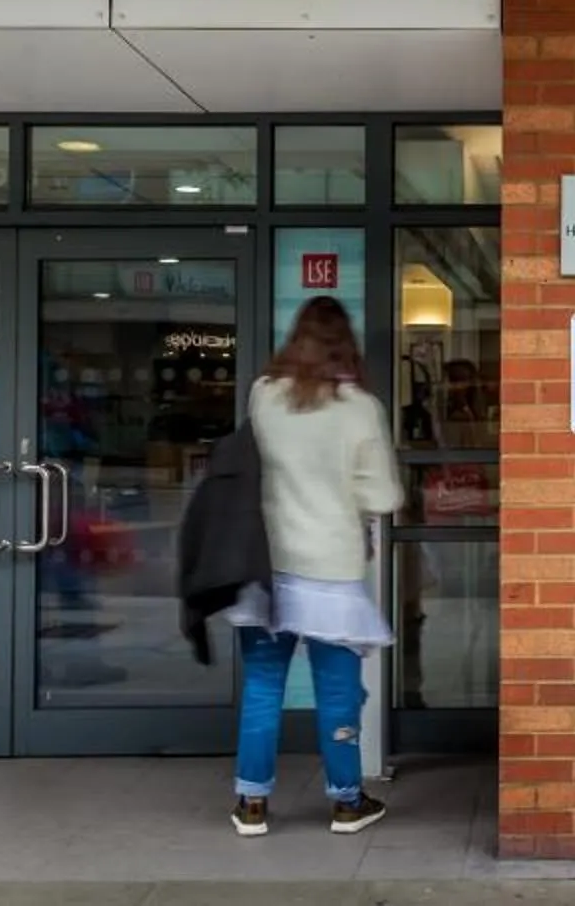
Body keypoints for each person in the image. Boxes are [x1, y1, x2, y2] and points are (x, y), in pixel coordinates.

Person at [225, 297, 404, 838]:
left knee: (262, 684)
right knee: (336, 690)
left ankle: (251, 804)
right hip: (330, 568)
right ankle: (347, 802)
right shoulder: (358, 407)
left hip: (266, 565)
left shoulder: (264, 394)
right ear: (345, 344)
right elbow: (384, 494)